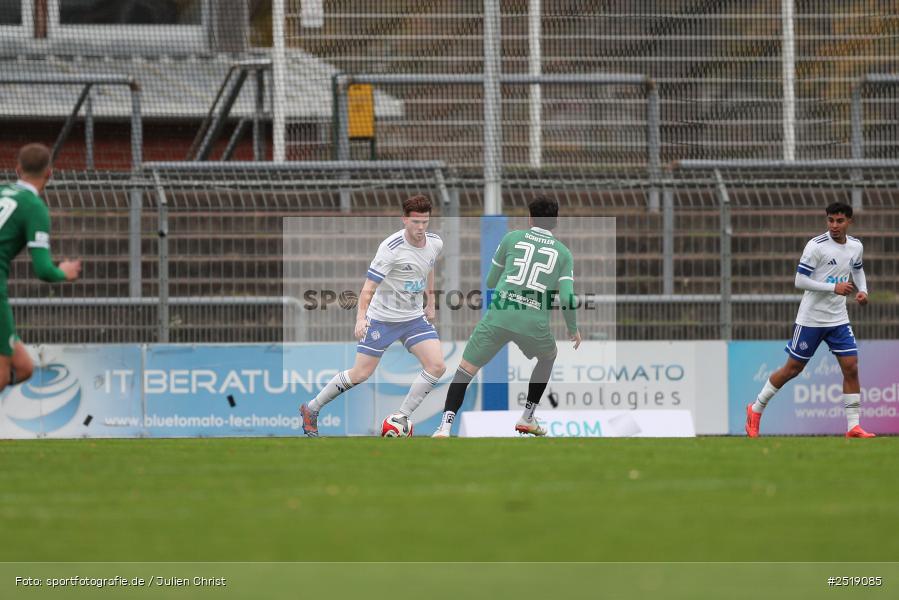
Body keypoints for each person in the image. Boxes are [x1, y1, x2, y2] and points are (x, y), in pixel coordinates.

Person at [432, 196, 581, 438]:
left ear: (530, 217)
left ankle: (445, 427)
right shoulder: (563, 254)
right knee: (548, 355)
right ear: (556, 221)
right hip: (532, 321)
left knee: (465, 369)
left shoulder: (511, 238)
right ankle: (528, 416)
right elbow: (567, 298)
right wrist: (572, 328)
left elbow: (490, 281)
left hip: (499, 315)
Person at [299, 195, 445, 437]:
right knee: (360, 374)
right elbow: (369, 287)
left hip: (413, 319)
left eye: (425, 222)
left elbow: (428, 267)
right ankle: (312, 408)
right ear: (404, 220)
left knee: (437, 365)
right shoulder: (390, 249)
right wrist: (361, 318)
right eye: (416, 222)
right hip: (382, 320)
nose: (421, 228)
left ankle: (401, 416)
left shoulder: (435, 243)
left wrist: (430, 302)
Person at [746, 201, 874, 438]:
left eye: (839, 221)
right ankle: (755, 409)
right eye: (830, 220)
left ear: (849, 222)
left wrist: (863, 290)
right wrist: (832, 287)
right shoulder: (816, 246)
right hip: (811, 319)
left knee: (851, 367)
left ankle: (853, 426)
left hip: (838, 318)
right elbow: (799, 281)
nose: (834, 225)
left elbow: (857, 269)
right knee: (792, 369)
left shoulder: (856, 246)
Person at [0, 143, 81, 393]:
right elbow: (44, 270)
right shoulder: (34, 207)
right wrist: (64, 272)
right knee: (2, 375)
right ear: (50, 173)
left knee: (23, 368)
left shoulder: (3, 190)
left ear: (17, 169)